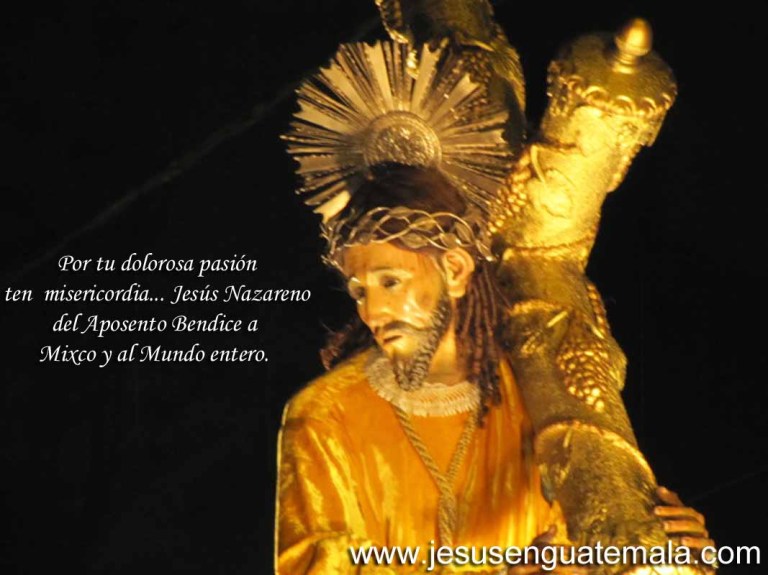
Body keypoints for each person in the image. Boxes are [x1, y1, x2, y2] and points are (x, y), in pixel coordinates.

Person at [274, 164, 712, 574]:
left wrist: (661, 537)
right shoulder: (325, 413)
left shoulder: (536, 384)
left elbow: (584, 539)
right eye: (359, 292)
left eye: (390, 282)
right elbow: (317, 564)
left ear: (455, 269)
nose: (373, 311)